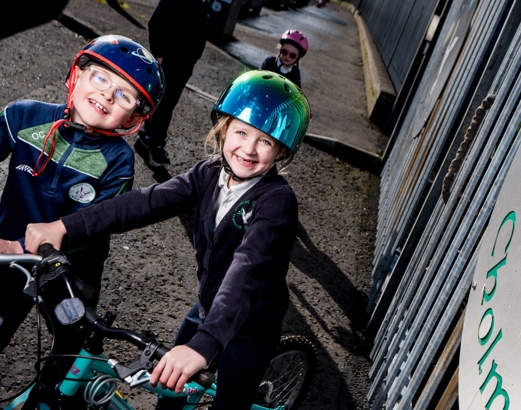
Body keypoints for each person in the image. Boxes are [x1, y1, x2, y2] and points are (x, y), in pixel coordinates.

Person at [24, 70, 311, 409]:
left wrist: (204, 344)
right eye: (241, 132)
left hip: (249, 328)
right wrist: (66, 226)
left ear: (280, 151)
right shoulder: (209, 174)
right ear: (224, 129)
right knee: (169, 389)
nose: (248, 149)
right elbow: (147, 202)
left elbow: (247, 271)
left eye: (264, 141)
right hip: (207, 307)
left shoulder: (277, 202)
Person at [0, 35, 164, 409]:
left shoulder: (118, 161)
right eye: (100, 79)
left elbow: (95, 225)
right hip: (11, 263)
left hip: (72, 268)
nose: (108, 96)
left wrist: (16, 246)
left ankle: (48, 397)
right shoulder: (24, 116)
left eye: (125, 96)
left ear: (134, 118)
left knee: (70, 334)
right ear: (76, 74)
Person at [134, 0, 210, 172]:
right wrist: (158, 52)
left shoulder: (204, 3)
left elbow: (201, 33)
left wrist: (193, 59)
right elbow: (155, 22)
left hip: (184, 65)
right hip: (168, 61)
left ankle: (150, 140)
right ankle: (154, 144)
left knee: (168, 105)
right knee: (162, 104)